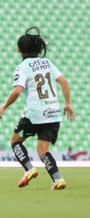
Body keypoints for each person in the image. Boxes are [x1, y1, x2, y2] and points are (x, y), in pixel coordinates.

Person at [0, 27, 76, 190]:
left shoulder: (23, 67)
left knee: (15, 141)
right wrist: (68, 103)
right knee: (43, 151)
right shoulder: (47, 63)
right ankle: (58, 179)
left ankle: (29, 169)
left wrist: (4, 106)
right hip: (53, 113)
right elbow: (64, 82)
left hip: (34, 114)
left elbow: (18, 90)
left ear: (19, 49)